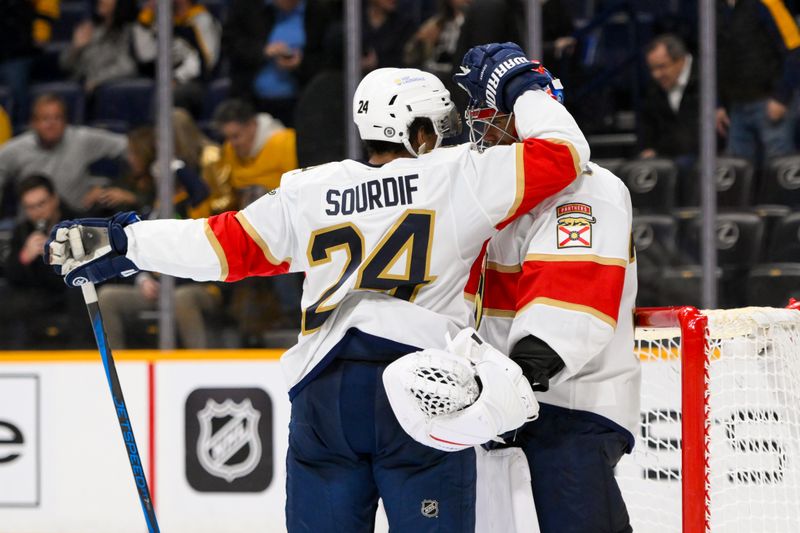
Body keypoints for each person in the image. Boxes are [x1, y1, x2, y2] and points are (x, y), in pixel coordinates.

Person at [47, 44, 590, 532]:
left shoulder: (311, 189)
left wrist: (125, 242)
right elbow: (566, 154)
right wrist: (524, 86)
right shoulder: (460, 174)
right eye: (436, 127)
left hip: (322, 395)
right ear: (416, 131)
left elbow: (218, 246)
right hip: (422, 386)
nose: (444, 137)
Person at [461, 64, 639, 533]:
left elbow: (565, 316)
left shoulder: (586, 190)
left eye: (490, 116)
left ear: (525, 117)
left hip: (569, 410)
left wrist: (504, 386)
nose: (480, 130)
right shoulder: (502, 197)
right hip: (513, 409)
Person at [0, 93, 128, 215]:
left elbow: (131, 147)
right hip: (30, 227)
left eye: (57, 118)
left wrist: (109, 187)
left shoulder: (82, 139)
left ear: (66, 122)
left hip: (77, 222)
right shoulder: (15, 150)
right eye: (45, 119)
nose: (51, 124)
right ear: (33, 123)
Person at [0, 174, 82, 348]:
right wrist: (24, 257)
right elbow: (11, 275)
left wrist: (57, 255)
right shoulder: (23, 231)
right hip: (36, 296)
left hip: (69, 292)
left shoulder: (78, 224)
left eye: (41, 204)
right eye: (30, 207)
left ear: (54, 200)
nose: (37, 212)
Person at [222, 0, 333, 126]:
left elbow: (328, 58)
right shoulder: (246, 7)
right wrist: (263, 51)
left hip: (302, 104)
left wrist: (301, 63)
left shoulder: (319, 12)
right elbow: (229, 45)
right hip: (252, 103)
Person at [716, 0, 800, 165]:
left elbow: (795, 48)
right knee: (736, 170)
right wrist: (717, 103)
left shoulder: (768, 2)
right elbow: (713, 58)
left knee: (779, 167)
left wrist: (781, 96)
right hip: (736, 106)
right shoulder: (714, 9)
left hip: (770, 101)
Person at [133, 0, 221, 117]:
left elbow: (208, 61)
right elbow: (146, 55)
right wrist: (144, 22)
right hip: (167, 81)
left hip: (197, 82)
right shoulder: (161, 21)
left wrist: (177, 78)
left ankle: (159, 134)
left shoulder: (201, 19)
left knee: (168, 95)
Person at [212, 98, 298, 207]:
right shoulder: (229, 148)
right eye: (227, 137)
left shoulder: (285, 142)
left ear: (252, 125)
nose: (232, 144)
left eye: (236, 136)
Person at [640, 34, 699, 162]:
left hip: (704, 160)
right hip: (668, 161)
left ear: (680, 60)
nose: (656, 75)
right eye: (652, 69)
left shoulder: (707, 76)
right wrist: (648, 149)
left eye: (661, 67)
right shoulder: (653, 89)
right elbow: (648, 126)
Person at [59, 0, 138, 95]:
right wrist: (76, 48)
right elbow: (64, 66)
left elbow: (127, 67)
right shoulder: (91, 29)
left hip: (112, 94)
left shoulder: (128, 31)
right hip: (83, 92)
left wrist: (97, 80)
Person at [0, 0, 59, 124]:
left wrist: (41, 31)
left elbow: (46, 4)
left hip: (17, 51)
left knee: (16, 96)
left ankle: (20, 130)